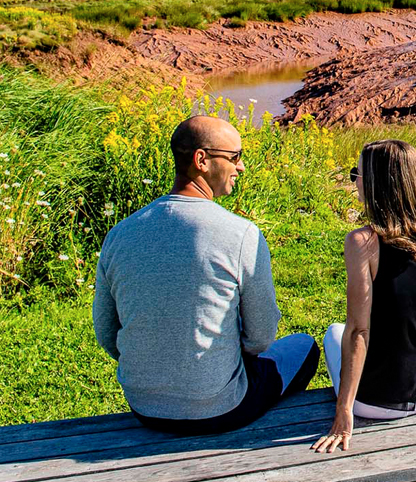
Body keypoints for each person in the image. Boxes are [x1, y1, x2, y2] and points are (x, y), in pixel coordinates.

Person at [93, 115, 320, 434]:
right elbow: (261, 337)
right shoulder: (240, 234)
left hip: (143, 407)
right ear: (201, 159)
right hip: (220, 407)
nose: (241, 167)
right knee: (305, 347)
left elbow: (106, 331)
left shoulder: (119, 234)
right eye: (235, 157)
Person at [312, 139, 416, 453]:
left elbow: (360, 331)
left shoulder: (363, 241)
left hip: (383, 402)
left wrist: (344, 411)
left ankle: (352, 401)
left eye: (357, 174)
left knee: (335, 333)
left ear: (377, 184)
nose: (354, 182)